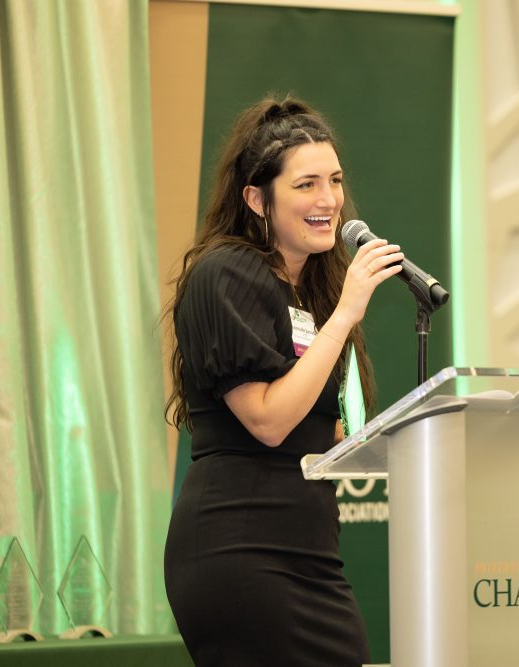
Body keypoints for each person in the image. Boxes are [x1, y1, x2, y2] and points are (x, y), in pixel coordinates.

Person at [163, 95, 403, 666]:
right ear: (255, 197)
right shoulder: (227, 272)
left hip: (310, 548)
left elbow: (317, 424)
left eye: (336, 181)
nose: (329, 201)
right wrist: (346, 314)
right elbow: (268, 420)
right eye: (306, 185)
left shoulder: (311, 290)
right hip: (243, 547)